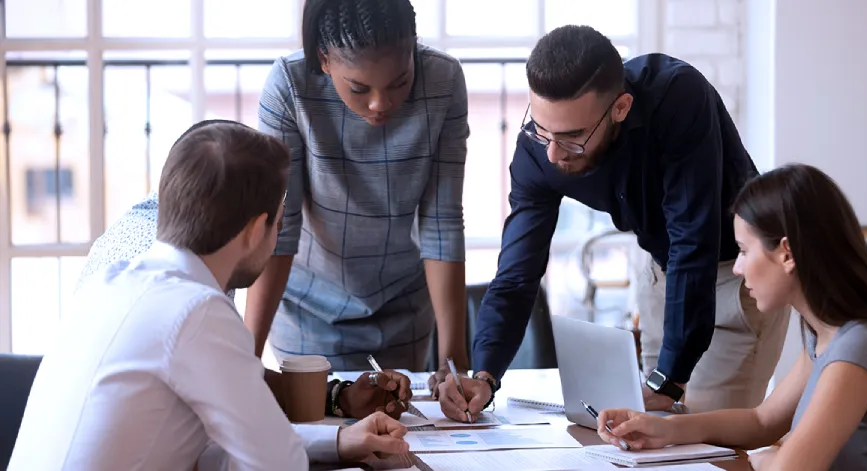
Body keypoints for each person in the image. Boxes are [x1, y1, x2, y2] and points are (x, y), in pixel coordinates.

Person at [9, 122, 412, 470]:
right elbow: (277, 464)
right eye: (280, 220)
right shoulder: (197, 311)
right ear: (257, 230)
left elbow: (212, 447)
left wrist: (338, 443)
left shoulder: (112, 284)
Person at [436, 25, 790, 420]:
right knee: (651, 437)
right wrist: (486, 375)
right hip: (662, 274)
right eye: (542, 128)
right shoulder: (538, 150)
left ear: (620, 107)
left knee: (707, 441)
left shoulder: (678, 97)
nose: (553, 154)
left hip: (737, 277)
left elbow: (693, 240)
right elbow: (517, 274)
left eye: (572, 137)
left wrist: (669, 380)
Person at [597, 164, 867, 471]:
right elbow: (762, 421)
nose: (738, 268)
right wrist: (665, 430)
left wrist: (769, 460)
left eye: (743, 250)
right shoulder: (824, 332)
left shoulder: (859, 347)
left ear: (787, 254)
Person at [249, 0, 469, 373]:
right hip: (309, 310)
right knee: (325, 424)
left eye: (400, 81)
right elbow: (280, 228)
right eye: (358, 87)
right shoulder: (290, 86)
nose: (380, 104)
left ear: (413, 47)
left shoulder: (443, 81)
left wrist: (454, 363)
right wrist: (245, 357)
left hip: (404, 305)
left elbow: (441, 222)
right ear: (324, 59)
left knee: (402, 426)